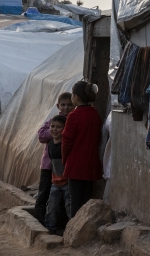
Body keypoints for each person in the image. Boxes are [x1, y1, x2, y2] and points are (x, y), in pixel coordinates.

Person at [61, 80, 103, 220]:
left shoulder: (74, 116)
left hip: (75, 165)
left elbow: (66, 142)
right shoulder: (95, 115)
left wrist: (65, 160)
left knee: (75, 202)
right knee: (87, 200)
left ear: (76, 97)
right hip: (91, 164)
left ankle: (73, 232)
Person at [35, 92, 74, 222]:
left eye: (69, 105)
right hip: (48, 165)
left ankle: (59, 225)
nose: (66, 108)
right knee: (43, 195)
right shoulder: (53, 120)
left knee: (64, 198)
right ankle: (40, 222)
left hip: (65, 167)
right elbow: (41, 135)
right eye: (63, 105)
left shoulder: (74, 120)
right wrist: (59, 131)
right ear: (58, 106)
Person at [43, 114, 72, 235]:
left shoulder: (65, 145)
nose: (54, 129)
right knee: (52, 207)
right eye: (52, 126)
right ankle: (51, 229)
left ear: (65, 129)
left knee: (69, 207)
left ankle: (71, 230)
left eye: (59, 127)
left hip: (67, 182)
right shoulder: (50, 145)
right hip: (55, 182)